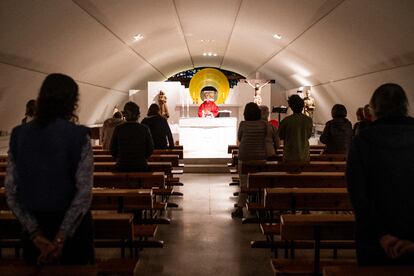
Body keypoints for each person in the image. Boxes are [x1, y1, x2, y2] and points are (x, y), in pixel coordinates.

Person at [5, 73, 94, 265]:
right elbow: (84, 192)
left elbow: (11, 191)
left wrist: (35, 233)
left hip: (35, 228)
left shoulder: (18, 135)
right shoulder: (78, 136)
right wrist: (61, 236)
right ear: (73, 102)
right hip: (74, 232)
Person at [347, 83, 414, 265]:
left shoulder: (362, 141)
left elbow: (358, 194)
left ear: (373, 109)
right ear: (405, 106)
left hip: (373, 238)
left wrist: (381, 234)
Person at [232, 102, 268, 218]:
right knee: (261, 183)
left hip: (245, 156)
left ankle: (240, 208)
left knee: (244, 183)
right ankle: (262, 206)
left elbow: (239, 138)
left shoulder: (243, 124)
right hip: (260, 157)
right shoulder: (264, 125)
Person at [110, 102, 154, 172]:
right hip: (140, 166)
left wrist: (120, 158)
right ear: (138, 115)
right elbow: (150, 149)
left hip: (122, 166)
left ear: (124, 115)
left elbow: (112, 149)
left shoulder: (118, 129)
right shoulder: (144, 128)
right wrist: (142, 157)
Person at [278, 95, 313, 163]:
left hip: (289, 155)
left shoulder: (286, 120)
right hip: (304, 155)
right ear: (302, 106)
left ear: (291, 107)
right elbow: (308, 135)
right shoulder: (308, 120)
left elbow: (280, 136)